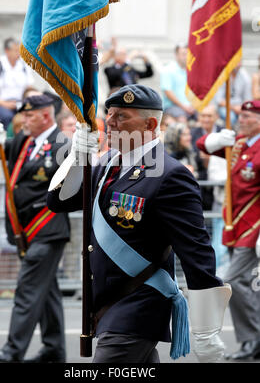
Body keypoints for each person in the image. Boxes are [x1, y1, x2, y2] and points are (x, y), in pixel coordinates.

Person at [47, 84, 231, 363]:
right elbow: (60, 201)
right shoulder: (108, 162)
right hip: (106, 302)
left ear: (150, 123)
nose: (109, 122)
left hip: (138, 302)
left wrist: (206, 329)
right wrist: (76, 156)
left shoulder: (171, 175)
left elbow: (196, 252)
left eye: (122, 116)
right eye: (109, 114)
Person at [0, 94, 71, 363]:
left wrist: (83, 154)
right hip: (25, 230)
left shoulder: (62, 144)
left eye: (29, 115)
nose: (23, 120)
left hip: (47, 228)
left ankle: (13, 350)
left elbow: (73, 186)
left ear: (46, 116)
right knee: (47, 292)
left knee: (27, 288)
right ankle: (54, 349)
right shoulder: (24, 141)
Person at [196, 100, 260, 360]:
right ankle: (254, 340)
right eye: (240, 115)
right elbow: (202, 146)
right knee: (249, 285)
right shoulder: (240, 145)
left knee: (234, 280)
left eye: (246, 116)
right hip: (236, 224)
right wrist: (218, 138)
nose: (240, 120)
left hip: (253, 226)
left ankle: (251, 339)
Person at [0, 37, 35, 130]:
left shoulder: (24, 66)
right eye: (16, 50)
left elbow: (29, 88)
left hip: (20, 103)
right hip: (1, 103)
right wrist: (6, 104)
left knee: (32, 114)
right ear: (7, 51)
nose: (19, 53)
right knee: (7, 117)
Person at [191, 104, 222, 210]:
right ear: (199, 117)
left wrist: (211, 158)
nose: (206, 119)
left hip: (220, 183)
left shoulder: (224, 133)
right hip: (199, 183)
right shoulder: (192, 134)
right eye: (203, 116)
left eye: (209, 116)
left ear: (216, 116)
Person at [160, 43, 196, 122]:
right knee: (181, 119)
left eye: (188, 54)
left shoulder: (192, 70)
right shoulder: (167, 70)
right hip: (173, 106)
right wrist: (184, 107)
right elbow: (168, 92)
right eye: (183, 54)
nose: (186, 57)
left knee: (208, 113)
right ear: (176, 55)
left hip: (191, 106)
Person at [213, 63, 252, 127]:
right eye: (236, 61)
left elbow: (248, 99)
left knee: (251, 117)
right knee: (231, 118)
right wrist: (234, 108)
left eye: (239, 61)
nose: (238, 64)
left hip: (241, 107)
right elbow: (219, 100)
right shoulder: (222, 75)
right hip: (225, 107)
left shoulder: (245, 76)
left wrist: (242, 108)